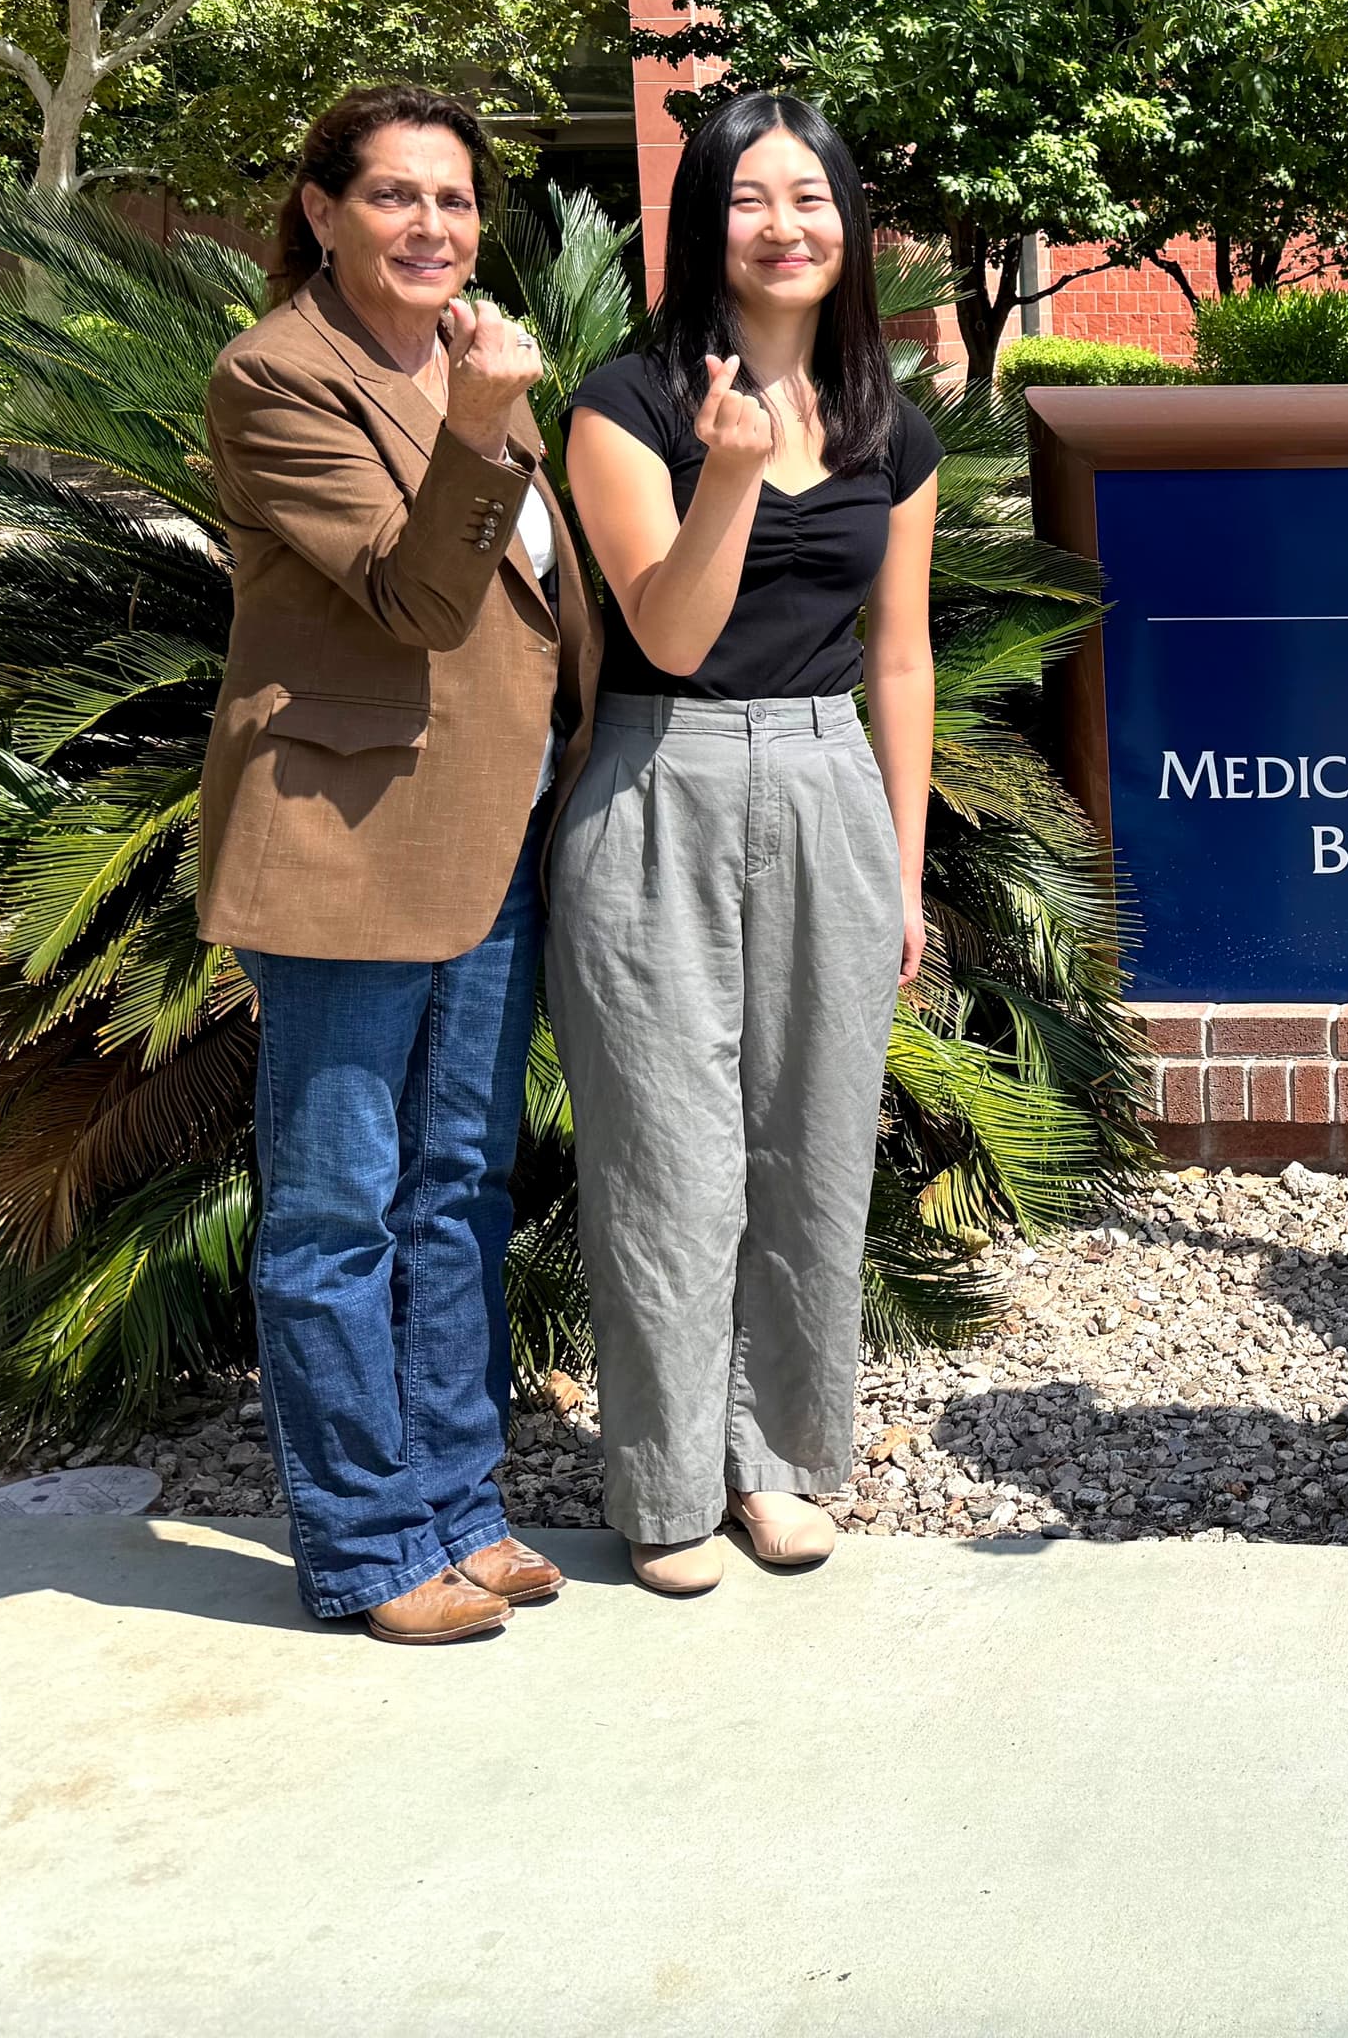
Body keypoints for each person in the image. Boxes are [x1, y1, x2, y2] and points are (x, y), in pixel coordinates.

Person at [202, 84, 596, 1644]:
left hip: (494, 827)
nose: (433, 226)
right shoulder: (276, 377)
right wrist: (493, 425)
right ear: (320, 210)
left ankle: (459, 1502)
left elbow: (536, 600)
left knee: (457, 1189)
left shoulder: (461, 355)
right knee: (335, 1209)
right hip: (350, 847)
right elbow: (416, 601)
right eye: (394, 197)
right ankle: (366, 1549)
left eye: (454, 199)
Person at [550, 92, 939, 1598]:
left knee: (816, 1139)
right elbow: (665, 624)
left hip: (829, 777)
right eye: (752, 199)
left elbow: (898, 659)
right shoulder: (625, 404)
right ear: (701, 223)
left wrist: (900, 869)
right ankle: (661, 1483)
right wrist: (730, 470)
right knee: (665, 1154)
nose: (788, 226)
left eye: (816, 198)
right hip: (661, 777)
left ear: (850, 227)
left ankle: (781, 1462)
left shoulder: (889, 428)